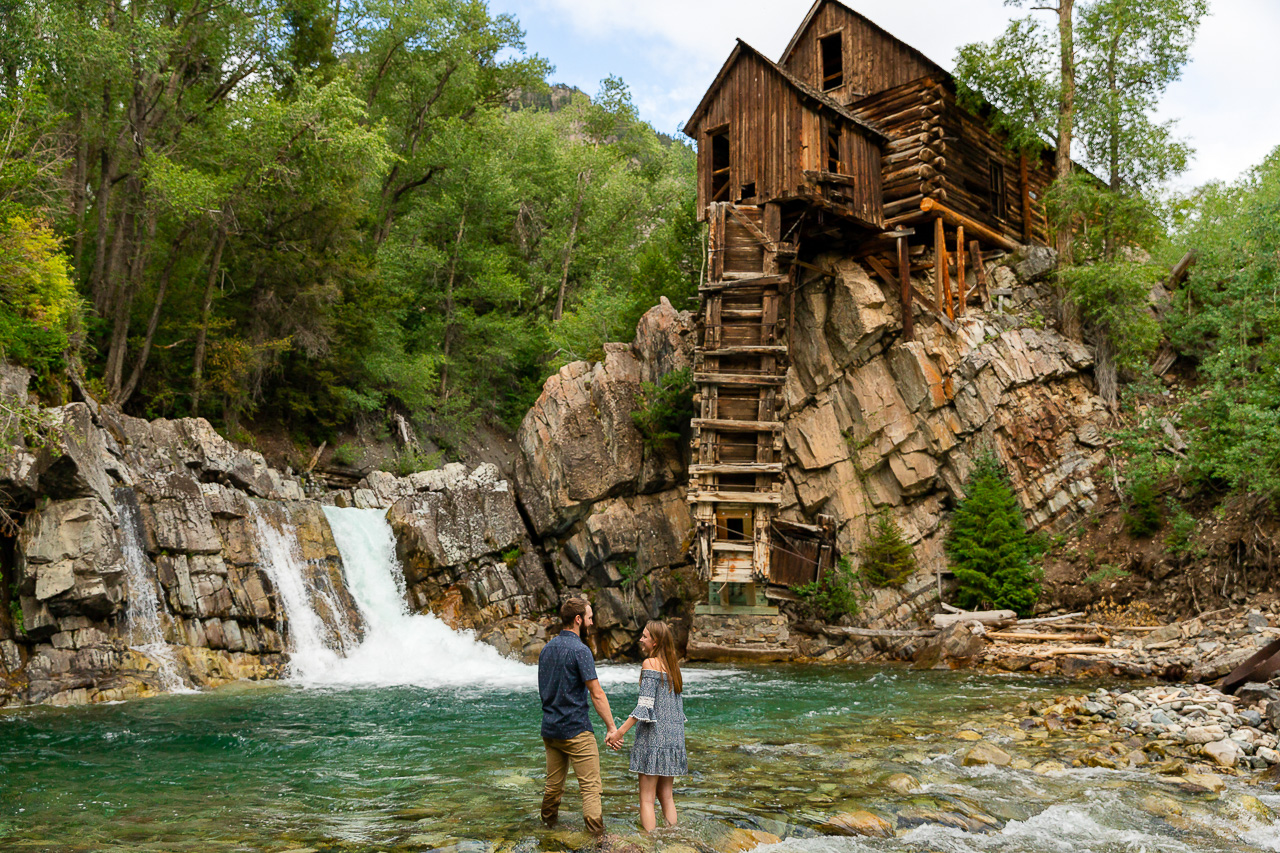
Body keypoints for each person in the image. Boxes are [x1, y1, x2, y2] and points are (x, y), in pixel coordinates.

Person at [537, 597, 617, 836]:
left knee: (553, 786)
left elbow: (545, 689)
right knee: (591, 789)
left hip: (551, 729)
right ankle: (596, 840)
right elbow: (597, 693)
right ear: (578, 619)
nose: (592, 623)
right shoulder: (581, 651)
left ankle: (547, 830)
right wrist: (611, 727)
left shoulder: (546, 649)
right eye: (590, 618)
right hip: (576, 730)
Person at [605, 620, 687, 832]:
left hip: (654, 738)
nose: (641, 640)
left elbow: (644, 707)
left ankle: (651, 843)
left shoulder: (650, 664)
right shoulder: (673, 667)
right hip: (673, 737)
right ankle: (672, 838)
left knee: (647, 799)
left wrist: (618, 733)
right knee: (667, 796)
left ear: (655, 641)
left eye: (645, 636)